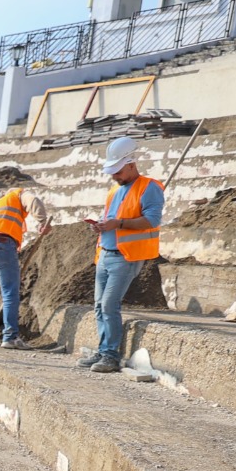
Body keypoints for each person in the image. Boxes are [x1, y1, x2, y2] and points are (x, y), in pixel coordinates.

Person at [82, 136, 164, 374]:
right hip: (105, 254)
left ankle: (110, 355)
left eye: (117, 171)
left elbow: (152, 220)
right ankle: (103, 350)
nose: (114, 176)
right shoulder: (114, 190)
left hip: (126, 256)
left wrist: (118, 223)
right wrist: (99, 225)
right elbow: (112, 219)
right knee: (99, 306)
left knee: (109, 304)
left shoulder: (149, 187)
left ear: (131, 164)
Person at [0, 187, 49, 349]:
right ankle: (10, 337)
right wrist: (42, 222)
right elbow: (33, 201)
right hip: (1, 244)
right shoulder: (17, 194)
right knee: (9, 292)